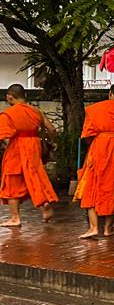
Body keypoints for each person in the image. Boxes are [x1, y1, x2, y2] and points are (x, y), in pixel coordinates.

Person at [76, 82, 114, 239]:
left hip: (99, 147)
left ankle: (94, 227)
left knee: (91, 186)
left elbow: (87, 134)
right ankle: (108, 228)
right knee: (113, 187)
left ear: (110, 93)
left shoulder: (94, 109)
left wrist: (96, 145)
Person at [0, 84, 59, 226]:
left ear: (9, 96)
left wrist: (6, 146)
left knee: (12, 179)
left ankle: (15, 218)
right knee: (35, 175)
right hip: (34, 144)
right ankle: (44, 204)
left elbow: (2, 135)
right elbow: (51, 128)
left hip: (17, 146)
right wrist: (53, 142)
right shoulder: (35, 111)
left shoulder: (8, 113)